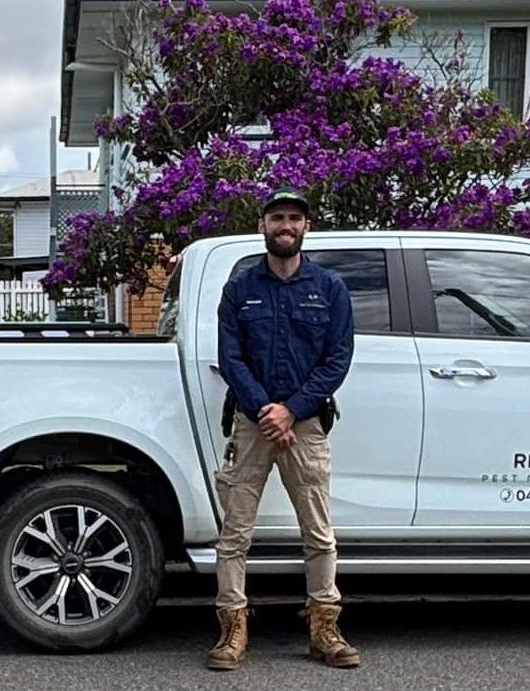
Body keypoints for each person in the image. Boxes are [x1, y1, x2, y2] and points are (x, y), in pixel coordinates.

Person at [205, 187, 358, 671]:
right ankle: (231, 631)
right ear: (263, 225)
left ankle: (325, 630)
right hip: (251, 425)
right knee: (235, 534)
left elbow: (337, 359)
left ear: (305, 227)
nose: (285, 225)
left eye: (294, 217)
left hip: (305, 425)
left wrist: (290, 410)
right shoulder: (240, 289)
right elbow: (230, 357)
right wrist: (265, 411)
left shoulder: (329, 288)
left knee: (319, 533)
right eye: (277, 218)